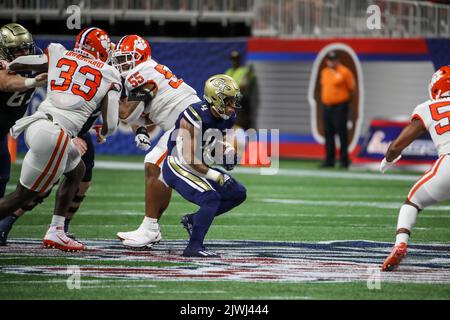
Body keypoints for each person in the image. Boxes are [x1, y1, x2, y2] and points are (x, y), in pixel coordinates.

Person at [0, 27, 122, 252]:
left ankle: (57, 230)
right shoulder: (109, 73)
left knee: (77, 169)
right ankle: (51, 231)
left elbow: (25, 63)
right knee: (22, 195)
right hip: (55, 133)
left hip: (38, 125)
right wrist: (103, 131)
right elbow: (113, 123)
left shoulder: (59, 52)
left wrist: (10, 65)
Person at [112, 34, 202, 248]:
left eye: (126, 58)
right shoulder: (147, 70)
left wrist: (108, 92)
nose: (122, 64)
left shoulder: (139, 72)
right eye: (119, 59)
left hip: (187, 122)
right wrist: (141, 129)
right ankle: (151, 228)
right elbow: (140, 111)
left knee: (154, 164)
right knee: (158, 170)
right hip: (189, 119)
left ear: (140, 56)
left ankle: (150, 229)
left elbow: (126, 113)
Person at [161, 74, 247, 257]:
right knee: (211, 198)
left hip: (196, 165)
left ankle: (195, 220)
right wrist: (217, 175)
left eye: (234, 101)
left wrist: (226, 153)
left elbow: (212, 145)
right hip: (178, 165)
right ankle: (194, 247)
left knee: (238, 193)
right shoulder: (194, 115)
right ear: (215, 99)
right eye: (229, 101)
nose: (233, 107)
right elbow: (188, 158)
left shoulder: (227, 118)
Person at [381, 65, 450, 271]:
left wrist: (389, 159)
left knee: (412, 202)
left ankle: (400, 243)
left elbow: (396, 146)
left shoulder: (427, 107)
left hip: (448, 164)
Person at [0, 23, 48, 244]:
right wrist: (32, 81)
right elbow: (5, 82)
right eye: (17, 50)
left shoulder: (35, 55)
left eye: (26, 47)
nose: (24, 53)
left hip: (3, 128)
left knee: (2, 179)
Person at [319, 50, 355, 169]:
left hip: (340, 106)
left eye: (334, 60)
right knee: (328, 133)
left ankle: (344, 160)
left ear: (338, 60)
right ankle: (329, 160)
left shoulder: (345, 72)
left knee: (341, 133)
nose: (332, 62)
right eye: (330, 60)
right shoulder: (324, 72)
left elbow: (352, 88)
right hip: (327, 106)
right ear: (327, 61)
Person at [225, 50, 257, 130]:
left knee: (243, 123)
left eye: (236, 59)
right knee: (231, 123)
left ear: (240, 59)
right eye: (233, 59)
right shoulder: (229, 71)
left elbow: (245, 85)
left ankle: (246, 140)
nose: (235, 61)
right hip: (230, 101)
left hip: (241, 101)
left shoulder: (245, 71)